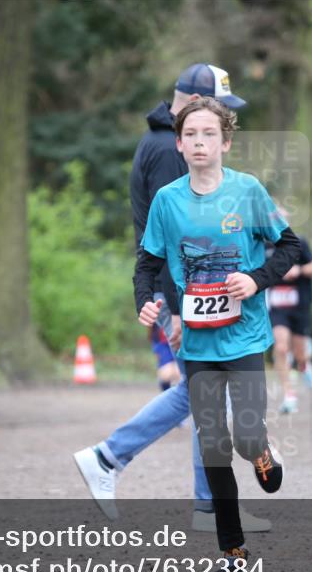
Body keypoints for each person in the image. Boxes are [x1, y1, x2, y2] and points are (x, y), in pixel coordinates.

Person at [73, 64, 270, 533]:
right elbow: (175, 239)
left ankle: (202, 503)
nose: (219, 118)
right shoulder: (168, 149)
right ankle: (111, 458)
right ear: (194, 103)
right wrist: (178, 310)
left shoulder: (164, 140)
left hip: (181, 292)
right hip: (179, 293)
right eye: (217, 107)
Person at [134, 96, 301, 572]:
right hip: (198, 344)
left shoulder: (247, 191)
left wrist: (255, 279)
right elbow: (147, 263)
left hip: (244, 336)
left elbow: (289, 246)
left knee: (245, 434)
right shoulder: (167, 201)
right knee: (212, 445)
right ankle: (233, 552)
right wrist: (145, 301)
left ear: (225, 142)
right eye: (190, 135)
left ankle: (261, 450)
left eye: (209, 134)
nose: (199, 142)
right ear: (179, 144)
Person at [267, 233, 312, 413]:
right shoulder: (263, 246)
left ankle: (304, 364)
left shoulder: (299, 243)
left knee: (300, 354)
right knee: (281, 347)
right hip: (277, 308)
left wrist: (298, 270)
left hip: (299, 307)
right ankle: (289, 395)